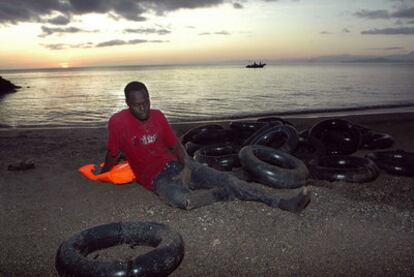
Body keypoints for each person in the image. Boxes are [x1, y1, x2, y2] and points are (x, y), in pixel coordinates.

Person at [101, 81, 310, 211]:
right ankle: (222, 194)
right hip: (158, 179)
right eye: (137, 104)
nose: (143, 107)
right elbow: (112, 153)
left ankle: (281, 203)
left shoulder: (158, 116)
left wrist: (187, 167)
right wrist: (102, 172)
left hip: (182, 165)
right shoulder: (118, 123)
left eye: (146, 101)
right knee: (184, 202)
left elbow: (175, 146)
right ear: (127, 103)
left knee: (229, 179)